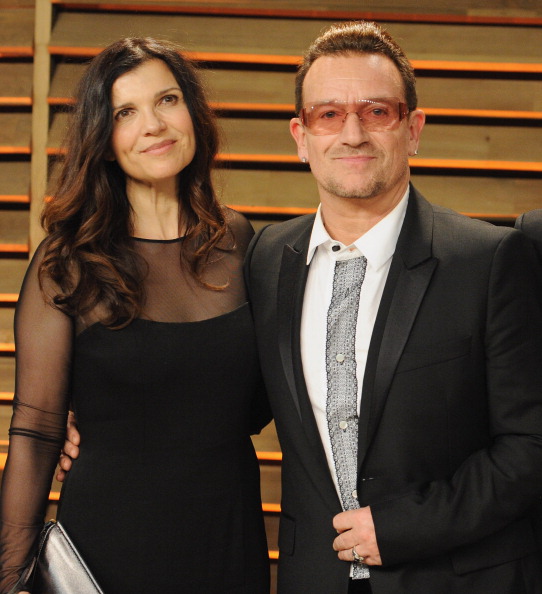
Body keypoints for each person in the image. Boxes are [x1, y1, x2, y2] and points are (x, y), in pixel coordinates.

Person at [243, 21, 542, 593]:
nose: (351, 132)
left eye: (376, 111)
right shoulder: (265, 259)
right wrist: (88, 418)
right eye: (327, 114)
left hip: (457, 578)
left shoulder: (491, 259)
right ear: (300, 136)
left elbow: (530, 445)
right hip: (315, 579)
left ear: (413, 129)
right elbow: (230, 399)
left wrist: (405, 527)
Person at [0, 37, 270, 594]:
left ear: (192, 113)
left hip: (227, 535)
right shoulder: (66, 262)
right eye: (127, 112)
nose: (154, 125)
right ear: (103, 140)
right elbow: (35, 431)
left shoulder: (239, 240)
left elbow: (256, 402)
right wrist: (7, 575)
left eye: (167, 101)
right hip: (109, 544)